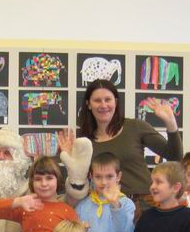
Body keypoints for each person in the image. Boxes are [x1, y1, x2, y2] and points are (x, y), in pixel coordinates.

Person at [74, 79, 182, 214]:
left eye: (108, 99)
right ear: (88, 104)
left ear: (116, 102)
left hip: (144, 204)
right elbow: (79, 179)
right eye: (97, 100)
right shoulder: (83, 141)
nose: (103, 105)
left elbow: (175, 156)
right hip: (105, 207)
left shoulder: (135, 127)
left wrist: (170, 121)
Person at [0, 156, 78, 232]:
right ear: (32, 182)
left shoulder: (67, 210)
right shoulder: (26, 206)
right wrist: (18, 201)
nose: (44, 184)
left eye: (49, 178)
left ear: (58, 180)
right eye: (38, 179)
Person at [75, 152, 135, 232]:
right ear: (91, 177)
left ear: (118, 177)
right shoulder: (82, 206)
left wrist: (115, 205)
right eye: (98, 177)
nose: (103, 182)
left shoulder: (126, 204)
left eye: (109, 176)